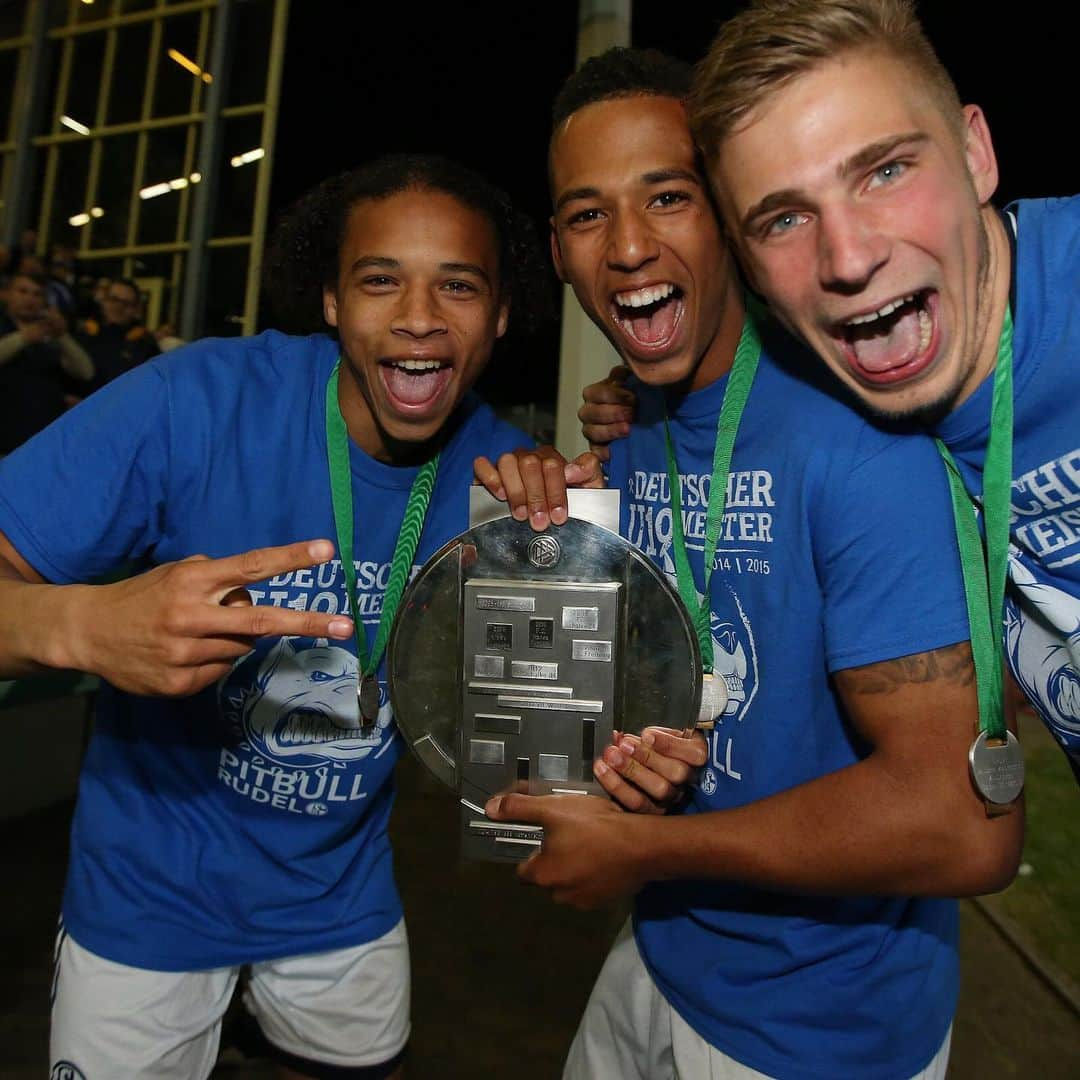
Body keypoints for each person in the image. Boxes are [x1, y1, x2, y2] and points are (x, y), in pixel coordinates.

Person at [0, 154, 678, 1080]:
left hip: (342, 903)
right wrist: (83, 627)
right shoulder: (194, 402)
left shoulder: (509, 486)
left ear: (503, 316)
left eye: (459, 285)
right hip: (148, 900)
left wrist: (566, 547)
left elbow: (540, 772)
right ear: (329, 301)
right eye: (380, 280)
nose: (417, 316)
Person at [477, 48, 1023, 1080]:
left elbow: (967, 825)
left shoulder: (859, 435)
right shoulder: (637, 431)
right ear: (556, 247)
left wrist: (643, 851)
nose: (629, 246)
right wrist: (540, 527)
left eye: (668, 197)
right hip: (662, 955)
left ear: (729, 213)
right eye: (588, 215)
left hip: (821, 1037)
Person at [666, 0, 1080, 775]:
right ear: (747, 267)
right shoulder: (846, 404)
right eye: (784, 219)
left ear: (977, 152)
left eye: (885, 172)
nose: (849, 258)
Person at [0, 269, 94, 454]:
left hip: (42, 444)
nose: (30, 299)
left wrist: (62, 336)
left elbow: (86, 372)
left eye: (37, 294)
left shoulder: (51, 334)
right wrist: (22, 338)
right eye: (23, 291)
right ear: (7, 294)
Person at [77, 276, 160, 393]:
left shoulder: (144, 342)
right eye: (114, 299)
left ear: (135, 310)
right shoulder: (85, 332)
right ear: (104, 301)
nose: (118, 307)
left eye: (126, 303)